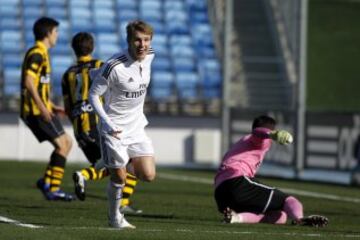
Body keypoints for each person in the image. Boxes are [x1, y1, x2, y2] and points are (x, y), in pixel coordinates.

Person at [61, 32, 142, 213]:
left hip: (80, 129)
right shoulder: (101, 66)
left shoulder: (68, 75)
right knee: (131, 161)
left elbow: (67, 107)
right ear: (93, 47)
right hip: (101, 126)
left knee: (108, 165)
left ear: (74, 50)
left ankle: (86, 177)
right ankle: (122, 204)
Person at [89, 20, 156, 229]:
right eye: (137, 40)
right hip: (114, 128)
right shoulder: (113, 66)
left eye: (146, 39)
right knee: (119, 178)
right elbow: (92, 95)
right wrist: (107, 123)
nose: (142, 44)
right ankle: (114, 218)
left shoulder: (151, 56)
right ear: (128, 40)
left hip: (136, 127)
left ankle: (108, 162)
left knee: (148, 174)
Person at [214, 115, 329, 227]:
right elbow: (258, 132)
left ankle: (236, 218)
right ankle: (300, 219)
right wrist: (272, 134)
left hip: (221, 195)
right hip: (237, 182)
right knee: (288, 200)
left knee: (280, 216)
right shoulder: (258, 139)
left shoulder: (243, 142)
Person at [20, 17, 73, 201]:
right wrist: (43, 108)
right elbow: (29, 82)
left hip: (42, 109)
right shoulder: (37, 53)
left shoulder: (42, 53)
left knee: (66, 143)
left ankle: (47, 183)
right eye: (55, 32)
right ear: (47, 33)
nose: (57, 35)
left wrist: (51, 106)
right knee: (64, 144)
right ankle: (53, 187)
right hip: (36, 111)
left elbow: (38, 85)